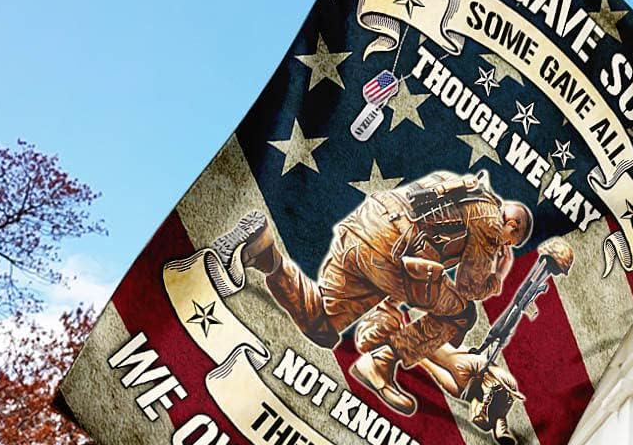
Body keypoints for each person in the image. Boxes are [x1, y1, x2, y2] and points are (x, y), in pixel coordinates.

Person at [214, 170, 533, 416]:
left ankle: (265, 252)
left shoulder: (457, 183)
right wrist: (498, 275)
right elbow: (469, 286)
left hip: (364, 228)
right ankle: (381, 363)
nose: (503, 247)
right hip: (387, 251)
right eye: (509, 242)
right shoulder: (490, 218)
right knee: (461, 311)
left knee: (322, 325)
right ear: (512, 226)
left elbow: (427, 235)